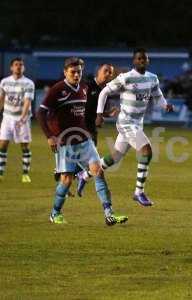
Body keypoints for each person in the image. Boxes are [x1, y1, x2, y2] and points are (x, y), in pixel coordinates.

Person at [36, 57, 128, 225]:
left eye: (79, 71)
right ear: (65, 72)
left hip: (85, 139)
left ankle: (109, 214)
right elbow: (41, 113)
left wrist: (104, 115)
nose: (76, 75)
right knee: (66, 181)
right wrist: (50, 136)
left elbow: (89, 110)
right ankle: (55, 213)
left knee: (98, 171)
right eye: (73, 72)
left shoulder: (84, 88)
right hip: (65, 142)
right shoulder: (58, 89)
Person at [78, 48, 173, 206]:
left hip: (137, 123)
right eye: (139, 59)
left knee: (115, 157)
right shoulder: (125, 78)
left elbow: (158, 96)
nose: (142, 61)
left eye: (145, 59)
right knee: (146, 150)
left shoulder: (152, 78)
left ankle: (85, 175)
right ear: (134, 61)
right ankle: (139, 192)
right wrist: (99, 114)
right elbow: (104, 93)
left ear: (148, 61)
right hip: (126, 122)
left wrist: (165, 105)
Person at [0, 57, 35, 183]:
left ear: (24, 67)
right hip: (7, 118)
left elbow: (27, 101)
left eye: (21, 65)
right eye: (16, 64)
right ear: (11, 67)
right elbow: (2, 99)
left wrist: (22, 117)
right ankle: (1, 172)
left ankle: (25, 174)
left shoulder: (29, 83)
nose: (18, 67)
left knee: (25, 146)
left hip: (22, 119)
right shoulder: (4, 82)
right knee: (3, 145)